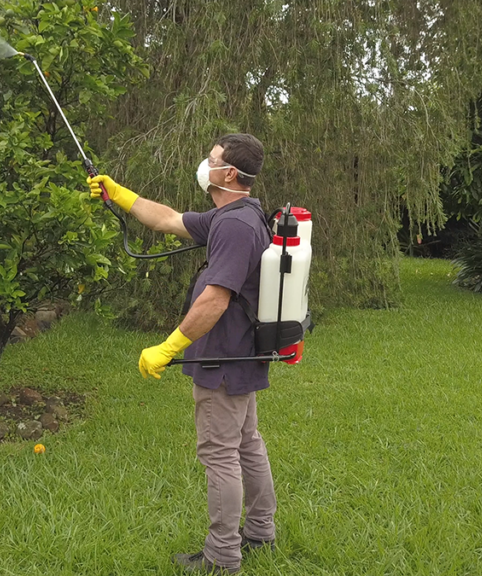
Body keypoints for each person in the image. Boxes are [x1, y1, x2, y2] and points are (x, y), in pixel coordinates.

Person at [87, 133, 276, 574]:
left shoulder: (234, 226)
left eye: (210, 160)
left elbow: (215, 299)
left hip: (223, 357)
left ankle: (222, 555)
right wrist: (119, 193)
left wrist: (169, 346)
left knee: (220, 453)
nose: (203, 164)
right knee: (246, 444)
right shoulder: (236, 213)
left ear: (229, 173)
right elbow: (168, 219)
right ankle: (261, 532)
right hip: (239, 352)